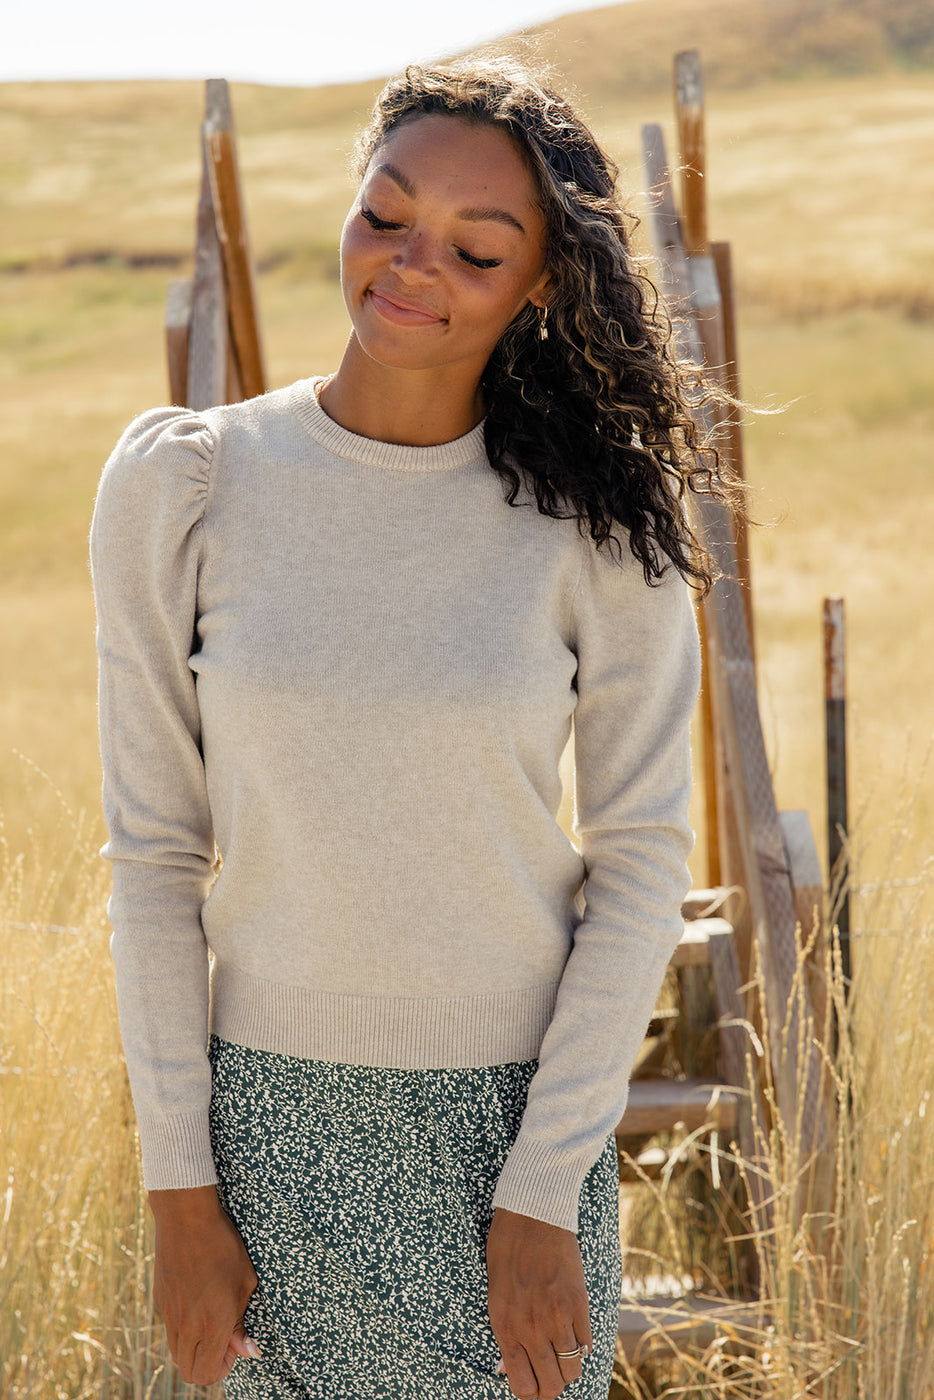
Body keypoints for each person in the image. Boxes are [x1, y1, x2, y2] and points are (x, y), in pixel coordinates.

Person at [90, 54, 733, 1400]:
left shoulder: (596, 531)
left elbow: (635, 866)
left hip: (508, 1154)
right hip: (255, 1145)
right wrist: (179, 1198)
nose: (410, 265)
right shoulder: (187, 488)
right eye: (385, 215)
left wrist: (543, 1190)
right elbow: (152, 857)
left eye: (474, 249)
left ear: (541, 284)